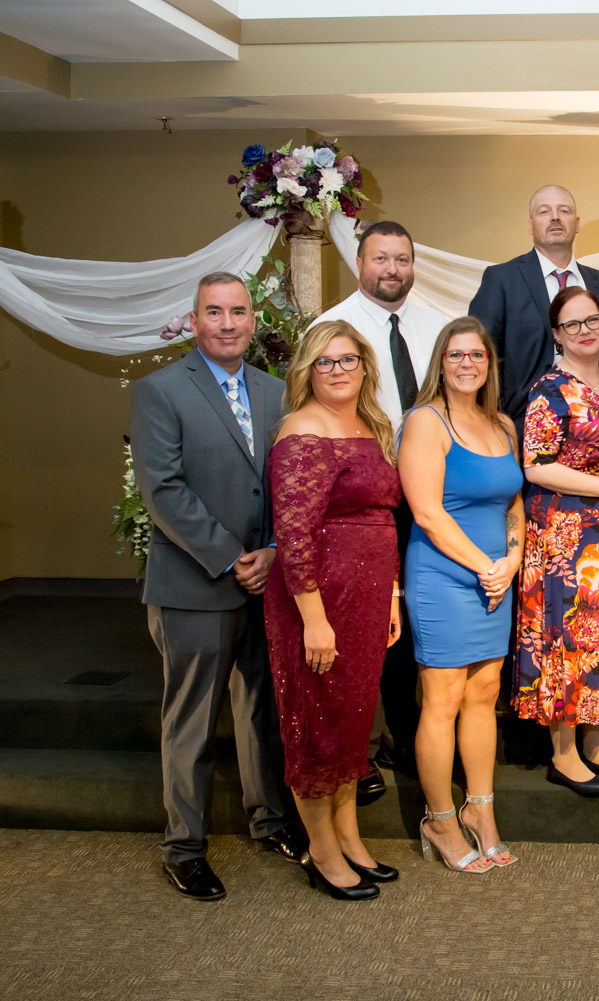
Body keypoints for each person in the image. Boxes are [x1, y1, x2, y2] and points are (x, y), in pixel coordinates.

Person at [131, 272, 304, 901]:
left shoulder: (277, 392)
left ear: (253, 320)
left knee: (262, 710)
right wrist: (234, 558)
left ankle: (270, 819)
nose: (227, 324)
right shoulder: (160, 391)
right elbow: (164, 491)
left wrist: (277, 553)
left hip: (267, 582)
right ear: (195, 319)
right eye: (214, 312)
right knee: (193, 722)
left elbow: (289, 484)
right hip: (194, 585)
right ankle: (184, 847)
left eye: (237, 312)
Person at [263, 320, 404, 901]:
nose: (339, 369)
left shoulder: (372, 426)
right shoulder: (301, 428)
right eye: (325, 361)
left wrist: (391, 593)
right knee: (317, 721)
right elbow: (292, 534)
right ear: (307, 371)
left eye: (348, 359)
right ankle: (320, 847)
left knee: (351, 719)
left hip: (368, 596)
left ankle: (349, 833)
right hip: (316, 598)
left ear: (365, 367)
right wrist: (313, 618)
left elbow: (384, 518)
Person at [318, 220, 446, 785]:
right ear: (359, 263)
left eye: (401, 260)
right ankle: (359, 750)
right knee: (364, 623)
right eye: (380, 259)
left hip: (426, 492)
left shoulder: (434, 324)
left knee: (412, 619)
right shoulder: (331, 328)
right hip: (363, 498)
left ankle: (402, 736)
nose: (391, 270)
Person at [399, 317, 524, 873]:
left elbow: (514, 506)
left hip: (495, 576)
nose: (467, 363)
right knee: (443, 698)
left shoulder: (502, 425)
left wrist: (512, 562)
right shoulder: (427, 421)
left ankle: (482, 812)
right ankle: (441, 820)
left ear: (490, 364)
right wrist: (486, 568)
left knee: (486, 691)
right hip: (444, 577)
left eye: (477, 354)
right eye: (456, 355)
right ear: (440, 363)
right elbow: (426, 512)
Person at [516, 286, 599, 797]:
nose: (585, 330)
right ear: (556, 335)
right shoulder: (550, 389)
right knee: (570, 639)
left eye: (591, 319)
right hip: (568, 537)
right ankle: (565, 754)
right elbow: (535, 465)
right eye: (572, 324)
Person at [468, 184, 599, 425]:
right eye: (544, 211)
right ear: (531, 225)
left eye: (563, 210)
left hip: (597, 423)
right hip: (522, 422)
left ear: (577, 224)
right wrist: (498, 417)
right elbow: (481, 354)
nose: (555, 217)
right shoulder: (502, 279)